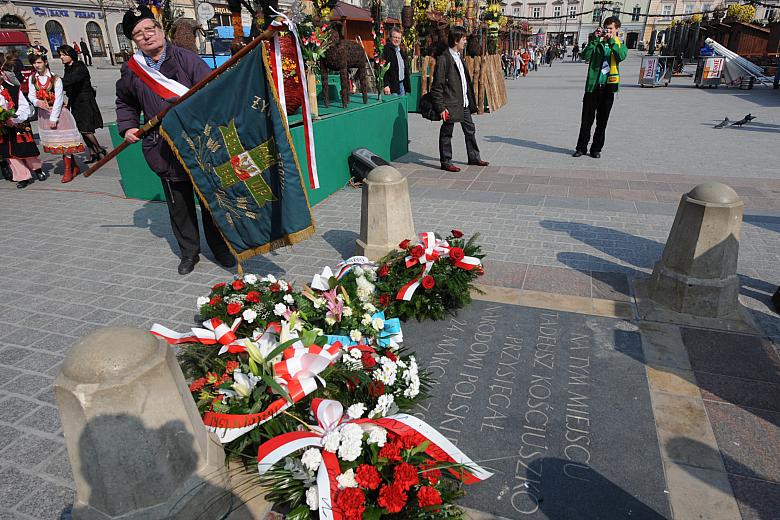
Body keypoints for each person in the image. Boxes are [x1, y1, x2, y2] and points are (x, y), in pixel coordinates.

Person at [116, 6, 236, 275]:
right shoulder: (132, 71)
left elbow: (211, 93)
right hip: (162, 148)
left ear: (160, 30)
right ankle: (189, 252)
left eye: (150, 29)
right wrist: (127, 127)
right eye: (138, 34)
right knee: (179, 206)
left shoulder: (187, 59)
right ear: (133, 41)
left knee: (209, 200)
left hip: (197, 145)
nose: (146, 36)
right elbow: (125, 102)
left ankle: (220, 248)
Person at [430, 26, 489, 173]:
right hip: (450, 104)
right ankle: (446, 161)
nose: (465, 41)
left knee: (470, 129)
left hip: (463, 103)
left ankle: (474, 157)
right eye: (463, 39)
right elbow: (437, 86)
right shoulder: (444, 58)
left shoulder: (459, 57)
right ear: (456, 40)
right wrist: (441, 107)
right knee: (447, 132)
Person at [573, 16, 627, 159]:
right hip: (593, 87)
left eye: (611, 29)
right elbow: (584, 56)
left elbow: (621, 56)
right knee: (586, 120)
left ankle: (596, 149)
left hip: (609, 87)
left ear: (617, 30)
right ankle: (581, 148)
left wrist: (611, 42)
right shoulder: (597, 43)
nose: (608, 31)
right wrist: (595, 40)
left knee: (602, 121)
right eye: (606, 28)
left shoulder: (619, 44)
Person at [27, 49, 85, 182]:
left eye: (39, 62)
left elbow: (59, 99)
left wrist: (54, 118)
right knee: (58, 143)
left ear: (45, 62)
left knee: (65, 143)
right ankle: (74, 167)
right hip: (44, 113)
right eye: (34, 63)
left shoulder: (55, 78)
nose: (37, 65)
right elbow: (31, 95)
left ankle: (67, 171)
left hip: (58, 113)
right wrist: (37, 102)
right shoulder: (32, 78)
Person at [58, 45, 107, 173]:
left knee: (86, 129)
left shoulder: (79, 66)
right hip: (75, 101)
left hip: (85, 100)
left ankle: (101, 151)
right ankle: (92, 153)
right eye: (60, 55)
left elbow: (71, 80)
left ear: (70, 55)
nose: (61, 57)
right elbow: (68, 86)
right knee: (81, 128)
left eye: (63, 55)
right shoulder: (68, 67)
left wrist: (56, 81)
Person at [0, 54, 43, 189]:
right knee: (9, 154)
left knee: (26, 150)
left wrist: (15, 118)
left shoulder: (12, 88)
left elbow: (24, 107)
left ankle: (37, 169)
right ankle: (22, 176)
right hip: (3, 127)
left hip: (18, 124)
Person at [382, 27, 410, 96]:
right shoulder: (386, 50)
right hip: (392, 87)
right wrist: (385, 85)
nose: (397, 39)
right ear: (390, 38)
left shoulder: (401, 52)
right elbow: (383, 69)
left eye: (399, 38)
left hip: (401, 85)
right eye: (395, 37)